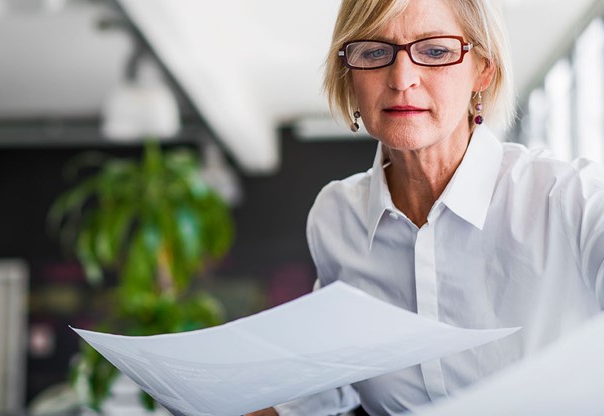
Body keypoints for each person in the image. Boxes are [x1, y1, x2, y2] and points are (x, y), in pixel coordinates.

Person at [248, 0, 604, 414]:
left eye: (435, 51)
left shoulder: (569, 199)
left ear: (483, 69)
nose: (402, 79)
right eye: (374, 52)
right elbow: (339, 368)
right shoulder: (337, 218)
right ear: (349, 72)